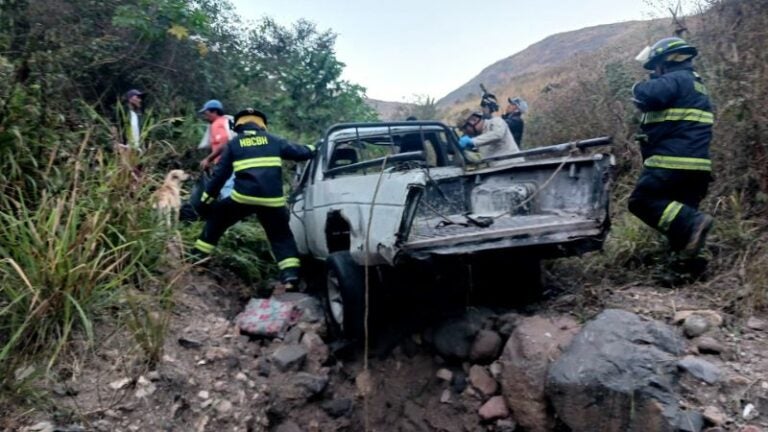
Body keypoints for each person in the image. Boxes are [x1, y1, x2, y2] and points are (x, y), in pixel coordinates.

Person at [193, 108, 316, 289]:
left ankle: (197, 259)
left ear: (238, 125)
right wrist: (315, 147)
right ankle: (290, 277)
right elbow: (301, 152)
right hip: (273, 201)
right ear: (262, 125)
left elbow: (219, 176)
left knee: (217, 220)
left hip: (242, 198)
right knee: (281, 237)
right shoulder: (275, 141)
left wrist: (206, 200)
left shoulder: (234, 144)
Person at [629, 37, 714, 254]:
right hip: (697, 168)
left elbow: (646, 93)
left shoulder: (676, 79)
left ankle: (695, 222)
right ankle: (686, 270)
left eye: (655, 66)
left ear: (665, 61)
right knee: (681, 228)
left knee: (642, 202)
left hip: (670, 163)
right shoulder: (696, 85)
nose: (654, 71)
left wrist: (638, 86)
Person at [197, 99, 236, 198]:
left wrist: (208, 159)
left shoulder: (217, 124)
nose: (205, 116)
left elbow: (224, 143)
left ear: (214, 112)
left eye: (206, 112)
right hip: (233, 162)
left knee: (226, 190)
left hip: (228, 164)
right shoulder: (226, 122)